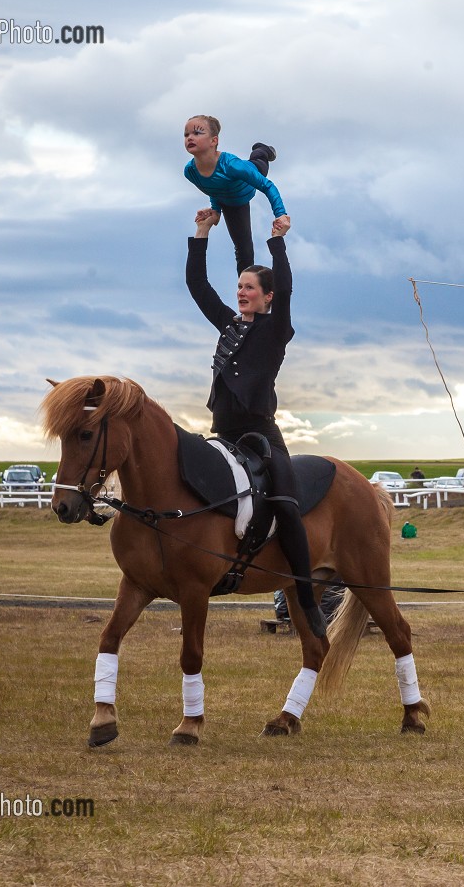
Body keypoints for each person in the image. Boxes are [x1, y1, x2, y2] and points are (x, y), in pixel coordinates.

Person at [186, 211, 326, 638]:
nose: (241, 292)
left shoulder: (275, 329)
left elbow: (285, 286)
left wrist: (276, 243)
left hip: (262, 438)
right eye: (240, 286)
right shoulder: (229, 325)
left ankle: (304, 599)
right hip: (223, 437)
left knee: (285, 504)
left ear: (266, 297)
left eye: (249, 288)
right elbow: (197, 285)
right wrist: (202, 232)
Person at [183, 115, 289, 275]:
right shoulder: (190, 172)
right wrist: (215, 210)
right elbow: (213, 188)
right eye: (186, 134)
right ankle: (245, 289)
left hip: (249, 178)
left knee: (258, 162)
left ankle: (262, 150)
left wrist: (280, 214)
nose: (190, 137)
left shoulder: (232, 166)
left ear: (214, 141)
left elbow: (267, 185)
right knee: (244, 250)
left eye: (197, 133)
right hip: (232, 203)